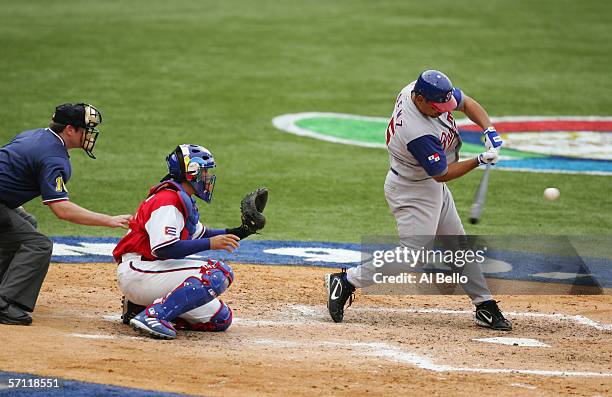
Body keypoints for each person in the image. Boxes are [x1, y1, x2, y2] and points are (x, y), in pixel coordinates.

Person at [325, 70, 512, 331]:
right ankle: (346, 281)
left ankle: (484, 305)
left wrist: (489, 129)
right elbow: (442, 175)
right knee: (412, 255)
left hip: (427, 186)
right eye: (437, 108)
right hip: (412, 191)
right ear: (420, 100)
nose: (442, 111)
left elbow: (467, 102)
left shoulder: (419, 90)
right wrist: (478, 160)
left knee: (458, 244)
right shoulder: (417, 132)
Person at [113, 144, 264, 340]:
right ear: (191, 172)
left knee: (219, 319)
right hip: (139, 270)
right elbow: (164, 249)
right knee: (217, 272)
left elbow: (204, 235)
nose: (208, 177)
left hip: (154, 272)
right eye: (204, 171)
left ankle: (138, 307)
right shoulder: (167, 200)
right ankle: (153, 315)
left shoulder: (181, 199)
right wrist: (211, 244)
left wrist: (244, 230)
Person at [0, 103, 132, 326]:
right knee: (39, 245)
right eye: (86, 129)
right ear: (70, 129)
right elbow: (62, 209)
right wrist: (108, 220)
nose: (90, 135)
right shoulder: (54, 157)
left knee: (26, 222)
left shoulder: (35, 135)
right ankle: (4, 302)